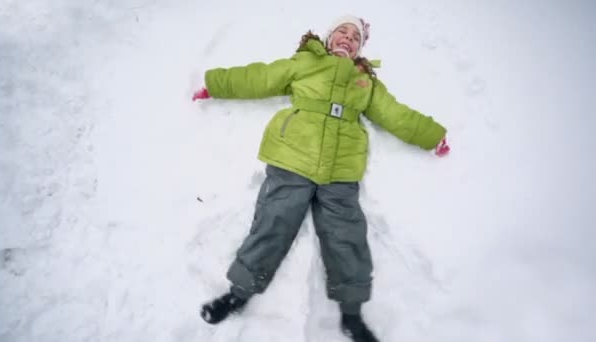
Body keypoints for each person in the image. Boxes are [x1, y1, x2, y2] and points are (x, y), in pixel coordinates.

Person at [192, 15, 450, 342]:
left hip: (340, 171)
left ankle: (351, 315)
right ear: (328, 38)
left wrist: (431, 136)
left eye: (355, 38)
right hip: (292, 159)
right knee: (274, 222)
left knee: (346, 236)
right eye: (342, 32)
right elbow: (260, 77)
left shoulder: (365, 81)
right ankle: (238, 294)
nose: (347, 39)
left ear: (360, 49)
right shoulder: (306, 62)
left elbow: (395, 114)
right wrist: (215, 84)